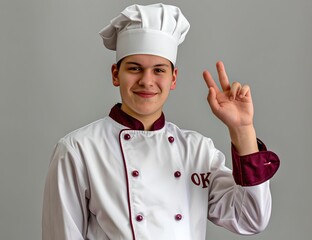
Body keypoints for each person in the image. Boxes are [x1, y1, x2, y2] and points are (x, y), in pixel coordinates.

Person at [42, 3, 280, 240]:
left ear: (173, 78)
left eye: (158, 70)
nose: (147, 81)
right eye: (135, 68)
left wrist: (242, 129)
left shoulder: (197, 151)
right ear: (116, 74)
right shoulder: (78, 149)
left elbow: (250, 219)